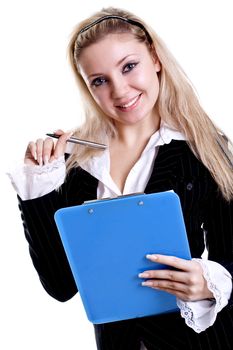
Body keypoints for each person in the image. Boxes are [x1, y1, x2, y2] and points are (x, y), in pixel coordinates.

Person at [8, 6, 233, 350]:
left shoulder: (204, 149)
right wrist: (38, 186)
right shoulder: (75, 163)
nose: (120, 90)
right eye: (100, 80)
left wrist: (209, 283)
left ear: (155, 58)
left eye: (129, 66)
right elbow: (61, 285)